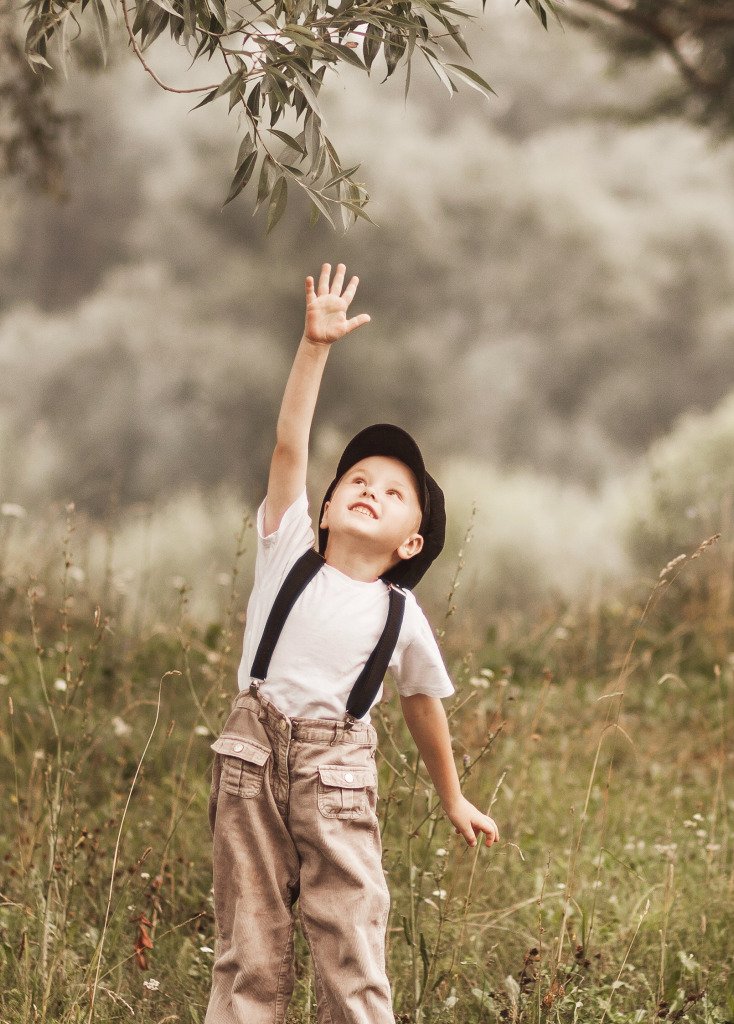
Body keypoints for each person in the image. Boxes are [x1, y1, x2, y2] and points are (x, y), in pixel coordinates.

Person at [204, 263, 501, 1024]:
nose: (369, 487)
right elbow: (287, 447)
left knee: (352, 939)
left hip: (339, 777)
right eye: (357, 478)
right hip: (253, 758)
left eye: (393, 491)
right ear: (327, 505)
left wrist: (453, 795)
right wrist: (314, 348)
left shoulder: (401, 616)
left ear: (411, 542)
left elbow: (423, 707)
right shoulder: (287, 550)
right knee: (248, 943)